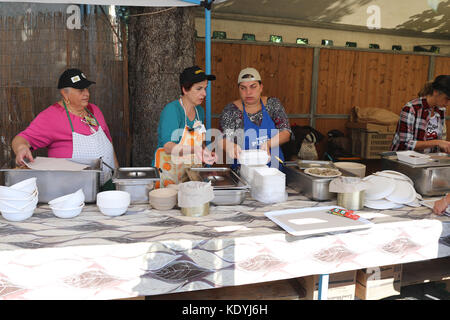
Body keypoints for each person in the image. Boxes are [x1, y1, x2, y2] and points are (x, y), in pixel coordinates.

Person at [12, 68, 118, 188]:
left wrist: (117, 176)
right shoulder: (52, 116)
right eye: (80, 90)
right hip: (72, 187)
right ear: (64, 93)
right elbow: (22, 138)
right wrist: (21, 147)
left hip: (107, 183)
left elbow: (108, 143)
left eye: (87, 88)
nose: (86, 93)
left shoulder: (95, 110)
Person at [154, 65, 217, 188]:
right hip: (168, 178)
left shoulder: (199, 111)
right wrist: (196, 150)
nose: (204, 93)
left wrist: (205, 152)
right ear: (185, 89)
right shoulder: (172, 110)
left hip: (190, 178)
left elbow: (198, 143)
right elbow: (168, 147)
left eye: (205, 88)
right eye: (199, 89)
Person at [218, 67, 292, 169]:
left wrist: (268, 144)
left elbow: (286, 132)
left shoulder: (272, 105)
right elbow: (223, 138)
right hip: (243, 171)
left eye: (253, 87)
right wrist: (230, 146)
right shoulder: (231, 110)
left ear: (261, 87)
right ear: (238, 89)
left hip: (273, 170)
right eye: (243, 88)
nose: (248, 92)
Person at [391, 75, 450, 153]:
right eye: (447, 99)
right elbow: (405, 143)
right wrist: (437, 142)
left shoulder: (441, 110)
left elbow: (440, 140)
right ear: (436, 92)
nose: (448, 103)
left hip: (427, 160)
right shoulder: (411, 108)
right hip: (402, 159)